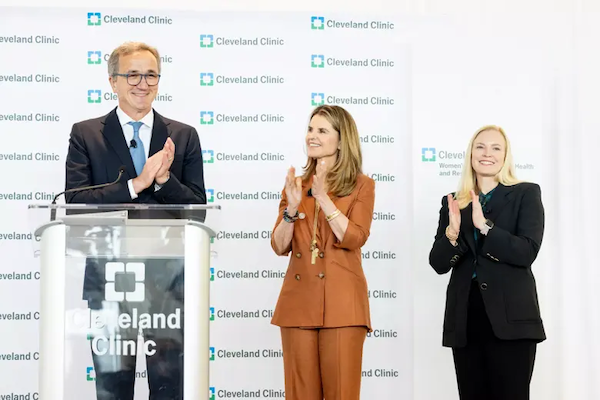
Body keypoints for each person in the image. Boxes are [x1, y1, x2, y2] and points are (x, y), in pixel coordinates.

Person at [64, 41, 206, 399]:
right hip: (110, 280)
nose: (143, 83)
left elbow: (198, 209)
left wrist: (163, 181)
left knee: (169, 386)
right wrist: (135, 185)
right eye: (133, 75)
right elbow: (76, 201)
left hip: (168, 284)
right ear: (113, 81)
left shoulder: (183, 135)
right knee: (112, 389)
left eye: (151, 75)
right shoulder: (86, 133)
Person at [428, 125, 545, 400]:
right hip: (466, 318)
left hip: (511, 320)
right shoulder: (453, 202)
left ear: (505, 156)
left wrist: (485, 228)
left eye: (496, 148)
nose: (487, 154)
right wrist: (452, 235)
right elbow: (438, 263)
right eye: (480, 147)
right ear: (471, 154)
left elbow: (527, 251)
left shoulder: (525, 193)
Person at [270, 105, 376, 400]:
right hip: (298, 303)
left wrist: (323, 199)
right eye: (310, 129)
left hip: (343, 304)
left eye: (322, 131)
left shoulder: (361, 185)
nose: (312, 137)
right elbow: (279, 245)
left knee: (342, 392)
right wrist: (291, 209)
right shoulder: (296, 185)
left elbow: (355, 236)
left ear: (342, 140)